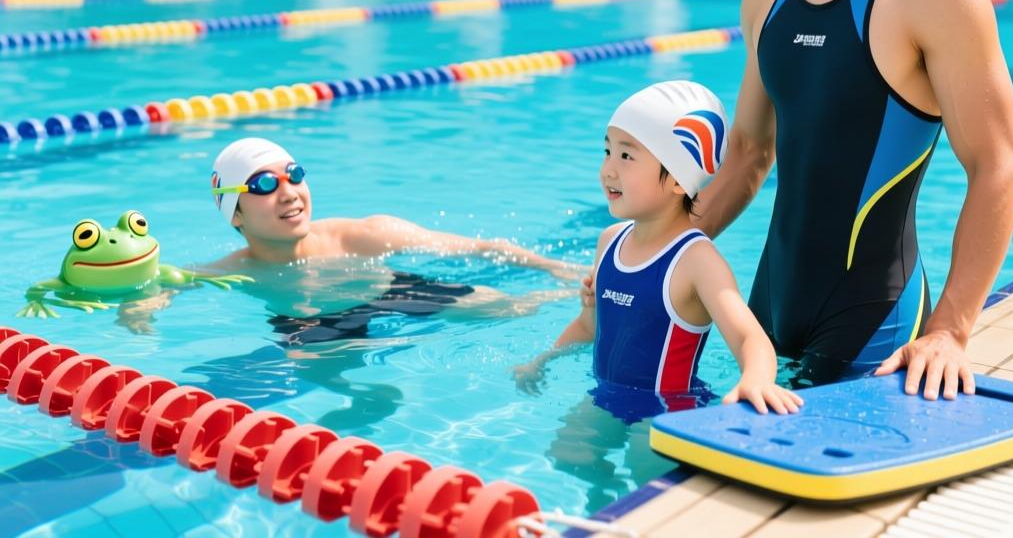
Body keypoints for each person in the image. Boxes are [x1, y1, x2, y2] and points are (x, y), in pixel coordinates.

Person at [692, 0, 1013, 398]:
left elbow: (997, 167)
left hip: (875, 323)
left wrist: (951, 329)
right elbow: (748, 154)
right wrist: (660, 247)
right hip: (768, 307)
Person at [517, 81, 803, 418]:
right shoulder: (610, 242)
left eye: (626, 156)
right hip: (604, 395)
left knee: (646, 467)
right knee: (567, 456)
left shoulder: (696, 261)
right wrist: (542, 362)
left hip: (667, 411)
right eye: (607, 151)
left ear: (680, 180)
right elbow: (590, 327)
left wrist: (757, 380)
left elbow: (748, 338)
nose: (608, 169)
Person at [208, 136, 581, 344]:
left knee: (508, 307)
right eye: (265, 184)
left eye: (294, 175)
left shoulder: (362, 236)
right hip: (307, 323)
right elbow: (166, 285)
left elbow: (484, 248)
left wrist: (557, 269)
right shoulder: (234, 271)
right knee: (305, 363)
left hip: (393, 292)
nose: (289, 193)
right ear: (234, 213)